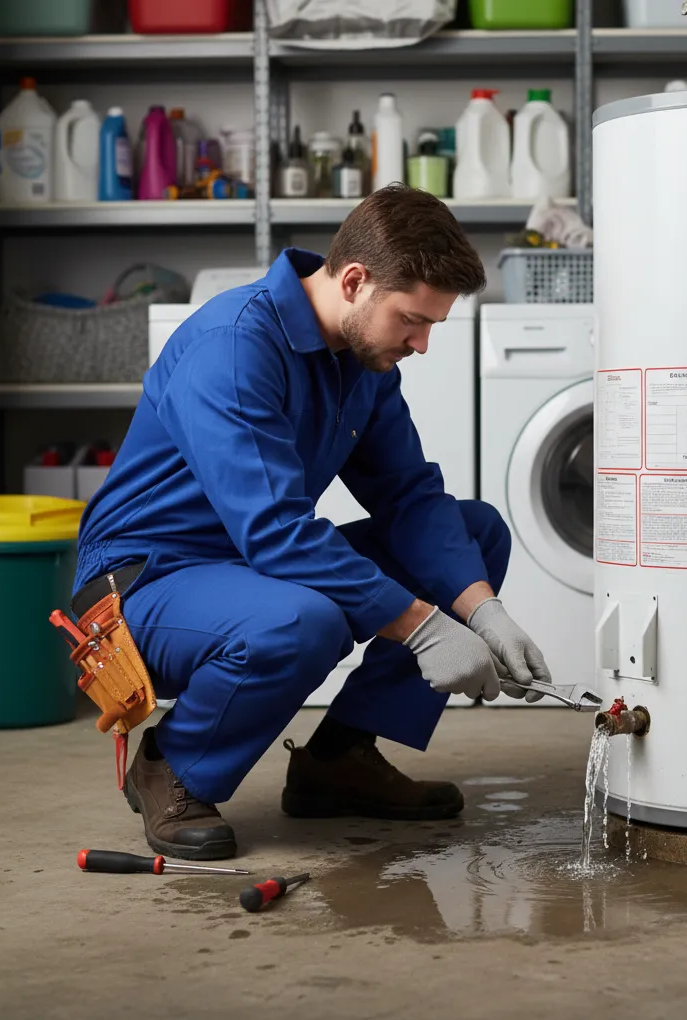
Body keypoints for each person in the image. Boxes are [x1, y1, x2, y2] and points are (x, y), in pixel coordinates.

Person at [71, 185, 552, 861]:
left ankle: (339, 760)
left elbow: (410, 496)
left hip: (250, 568)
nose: (421, 344)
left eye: (432, 327)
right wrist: (424, 626)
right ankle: (172, 765)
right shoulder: (233, 345)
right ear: (354, 281)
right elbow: (275, 531)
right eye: (412, 320)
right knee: (303, 620)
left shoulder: (362, 361)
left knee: (473, 533)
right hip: (144, 586)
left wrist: (482, 610)